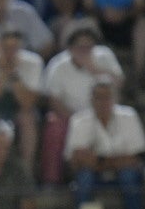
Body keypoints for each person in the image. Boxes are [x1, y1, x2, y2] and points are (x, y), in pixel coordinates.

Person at [42, 21, 126, 184]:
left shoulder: (104, 56)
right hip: (69, 117)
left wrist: (94, 69)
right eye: (80, 47)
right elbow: (54, 101)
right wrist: (78, 121)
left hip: (103, 116)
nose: (84, 51)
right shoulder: (58, 65)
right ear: (70, 48)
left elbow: (119, 83)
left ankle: (113, 178)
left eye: (88, 47)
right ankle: (52, 180)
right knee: (54, 127)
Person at [66, 77, 145, 209]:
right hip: (93, 174)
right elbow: (76, 160)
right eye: (98, 97)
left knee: (129, 177)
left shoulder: (129, 116)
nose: (102, 102)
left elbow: (136, 158)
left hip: (122, 173)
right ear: (91, 99)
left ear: (115, 98)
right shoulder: (79, 120)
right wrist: (115, 160)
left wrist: (98, 161)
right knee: (84, 179)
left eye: (107, 97)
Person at [0, 27, 45, 170]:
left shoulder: (33, 63)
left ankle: (26, 170)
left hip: (19, 106)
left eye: (14, 48)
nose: (10, 53)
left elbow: (27, 104)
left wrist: (15, 76)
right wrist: (3, 75)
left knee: (28, 119)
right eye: (5, 48)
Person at [78, 0, 145, 86]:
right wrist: (104, 13)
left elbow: (140, 5)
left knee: (143, 24)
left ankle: (137, 78)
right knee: (89, 23)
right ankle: (96, 73)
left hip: (128, 21)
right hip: (100, 20)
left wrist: (122, 14)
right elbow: (88, 5)